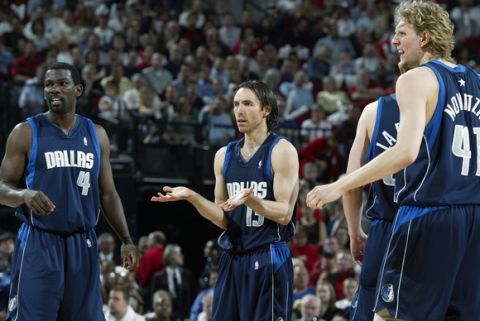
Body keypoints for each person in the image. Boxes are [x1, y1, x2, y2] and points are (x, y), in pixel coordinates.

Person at [307, 1, 480, 320]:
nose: (394, 41)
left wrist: (340, 185)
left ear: (424, 37)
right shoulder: (476, 82)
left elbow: (406, 152)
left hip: (428, 214)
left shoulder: (416, 80)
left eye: (402, 33)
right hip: (472, 217)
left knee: (390, 315)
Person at [0, 62, 138, 321]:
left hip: (82, 242)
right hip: (39, 242)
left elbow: (108, 194)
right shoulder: (26, 132)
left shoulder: (97, 135)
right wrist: (23, 195)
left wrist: (126, 239)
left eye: (62, 83)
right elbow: (1, 187)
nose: (55, 89)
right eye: (49, 84)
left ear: (78, 89)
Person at [151, 80, 299, 321]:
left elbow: (284, 213)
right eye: (236, 104)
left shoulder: (282, 151)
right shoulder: (223, 156)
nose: (239, 110)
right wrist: (192, 196)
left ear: (266, 110)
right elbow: (223, 218)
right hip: (233, 257)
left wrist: (251, 200)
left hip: (268, 254)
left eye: (248, 104)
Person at [343, 94, 399, 321]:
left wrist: (354, 232)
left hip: (385, 227)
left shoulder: (374, 111)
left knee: (371, 306)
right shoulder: (450, 107)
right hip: (433, 223)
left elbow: (351, 183)